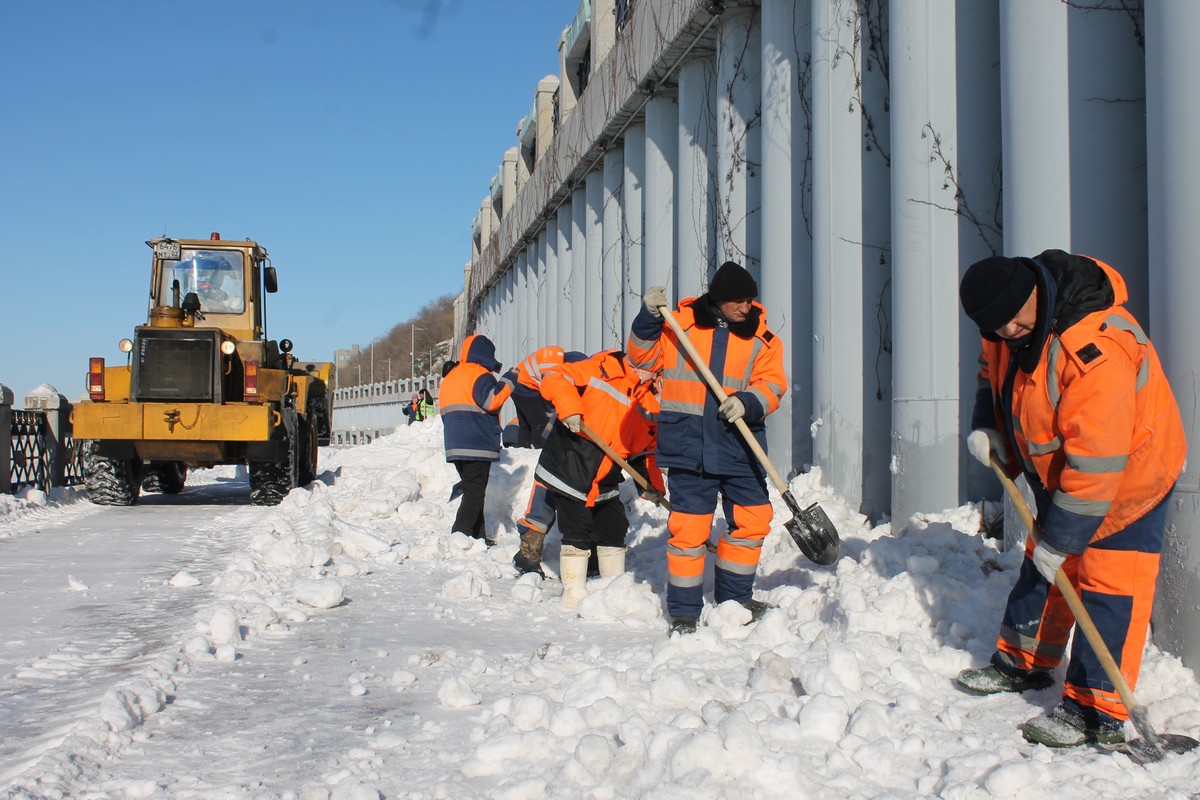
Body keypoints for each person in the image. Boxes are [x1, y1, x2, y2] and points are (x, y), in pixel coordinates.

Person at [955, 250, 1185, 748]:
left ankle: (1094, 708)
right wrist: (988, 424)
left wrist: (1064, 536)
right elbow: (989, 369)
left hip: (1128, 479)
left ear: (1033, 294)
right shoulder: (1004, 322)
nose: (1011, 331)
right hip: (1064, 473)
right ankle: (1024, 662)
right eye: (999, 327)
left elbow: (1099, 463)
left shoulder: (1095, 350)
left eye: (1018, 320)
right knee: (1047, 564)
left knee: (1108, 583)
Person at [626, 261, 787, 635]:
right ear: (720, 299)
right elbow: (641, 358)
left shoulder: (762, 339)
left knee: (753, 520)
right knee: (689, 530)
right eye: (739, 301)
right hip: (689, 445)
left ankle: (735, 599)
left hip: (739, 447)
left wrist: (748, 401)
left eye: (750, 300)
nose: (746, 307)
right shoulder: (678, 325)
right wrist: (648, 319)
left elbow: (774, 384)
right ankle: (684, 612)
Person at [521, 349, 664, 609]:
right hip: (571, 463)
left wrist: (651, 485)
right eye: (655, 368)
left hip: (605, 473)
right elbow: (554, 378)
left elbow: (645, 450)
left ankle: (613, 590)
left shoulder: (648, 400)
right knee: (577, 528)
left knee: (614, 525)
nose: (656, 375)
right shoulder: (603, 368)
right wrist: (570, 408)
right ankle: (573, 594)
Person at [438, 335, 515, 544]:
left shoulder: (452, 376)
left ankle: (478, 536)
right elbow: (491, 401)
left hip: (455, 443)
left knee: (473, 489)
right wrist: (509, 381)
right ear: (485, 354)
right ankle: (459, 535)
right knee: (475, 493)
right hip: (477, 441)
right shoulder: (480, 374)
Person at [509, 347, 587, 447]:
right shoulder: (554, 369)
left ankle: (523, 449)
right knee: (539, 423)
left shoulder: (557, 355)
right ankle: (539, 451)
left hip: (515, 382)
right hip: (526, 386)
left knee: (525, 424)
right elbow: (550, 390)